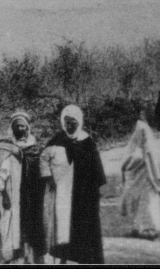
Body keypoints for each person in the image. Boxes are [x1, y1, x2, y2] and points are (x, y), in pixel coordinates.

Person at [40, 104, 106, 264]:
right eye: (67, 122)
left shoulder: (87, 141)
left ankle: (85, 258)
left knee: (84, 226)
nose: (70, 126)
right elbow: (43, 159)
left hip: (84, 192)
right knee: (64, 225)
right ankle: (63, 257)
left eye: (73, 122)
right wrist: (49, 178)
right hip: (65, 192)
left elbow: (96, 167)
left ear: (79, 122)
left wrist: (97, 187)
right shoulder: (57, 140)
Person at [0, 110, 45, 264]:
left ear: (27, 128)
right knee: (10, 226)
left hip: (31, 195)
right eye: (17, 126)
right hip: (12, 195)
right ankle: (10, 257)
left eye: (23, 126)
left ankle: (30, 257)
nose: (20, 129)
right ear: (12, 128)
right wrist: (3, 194)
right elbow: (1, 173)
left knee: (30, 225)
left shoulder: (35, 147)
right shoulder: (5, 147)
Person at [120, 114, 160, 241]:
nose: (141, 135)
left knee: (149, 204)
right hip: (138, 181)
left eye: (143, 133)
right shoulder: (135, 148)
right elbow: (126, 164)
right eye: (139, 133)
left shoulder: (150, 148)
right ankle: (138, 227)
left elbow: (155, 164)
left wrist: (156, 180)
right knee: (138, 205)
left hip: (148, 180)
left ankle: (151, 228)